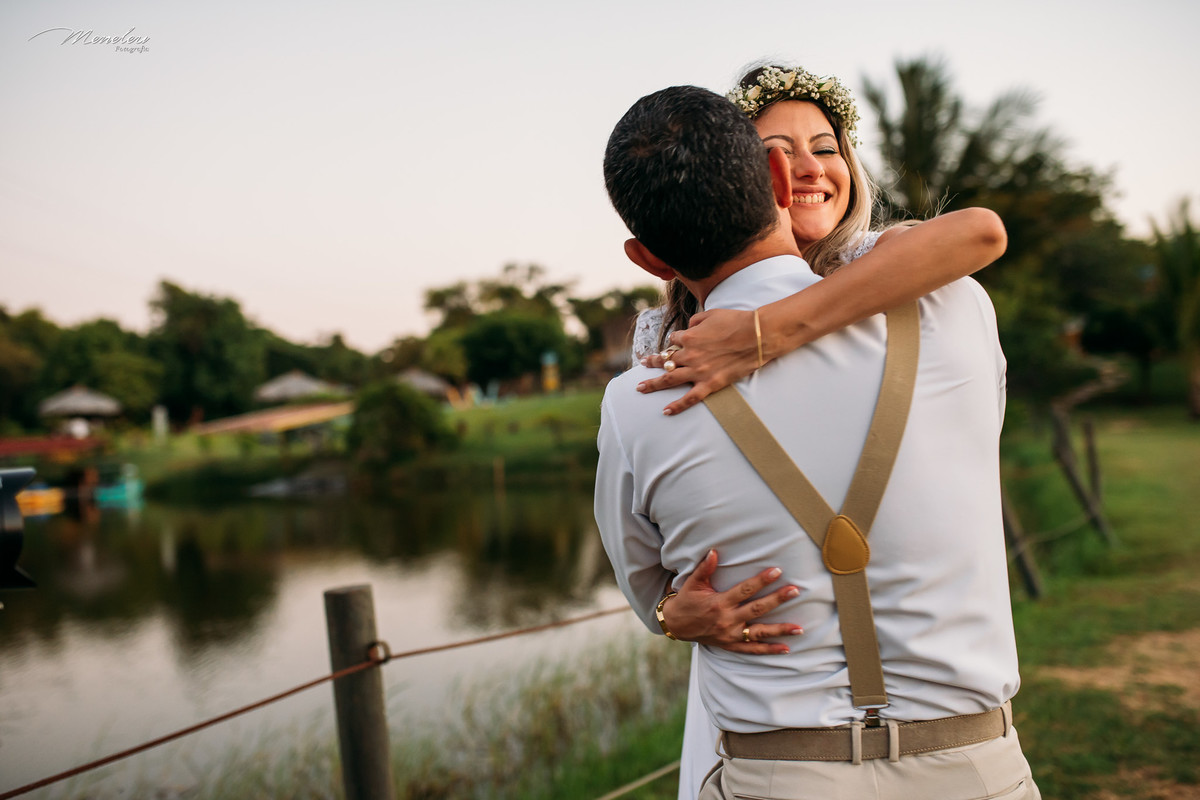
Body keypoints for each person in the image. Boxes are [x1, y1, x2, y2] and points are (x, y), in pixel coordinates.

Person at [597, 83, 1038, 799]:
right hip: (975, 767)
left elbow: (649, 591)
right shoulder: (951, 307)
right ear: (775, 182)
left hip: (778, 776)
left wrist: (669, 614)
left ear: (646, 256)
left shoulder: (637, 404)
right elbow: (974, 235)